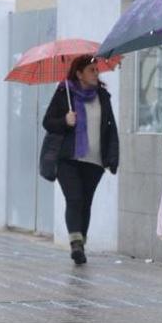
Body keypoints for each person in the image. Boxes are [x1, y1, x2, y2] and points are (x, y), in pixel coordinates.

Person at [42, 55, 119, 265]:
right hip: (69, 158)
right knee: (74, 199)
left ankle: (80, 244)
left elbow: (110, 128)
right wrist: (65, 121)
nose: (96, 73)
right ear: (79, 73)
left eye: (97, 70)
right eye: (91, 70)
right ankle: (75, 243)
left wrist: (112, 157)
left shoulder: (102, 96)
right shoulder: (64, 93)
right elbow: (48, 122)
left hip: (94, 161)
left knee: (86, 203)